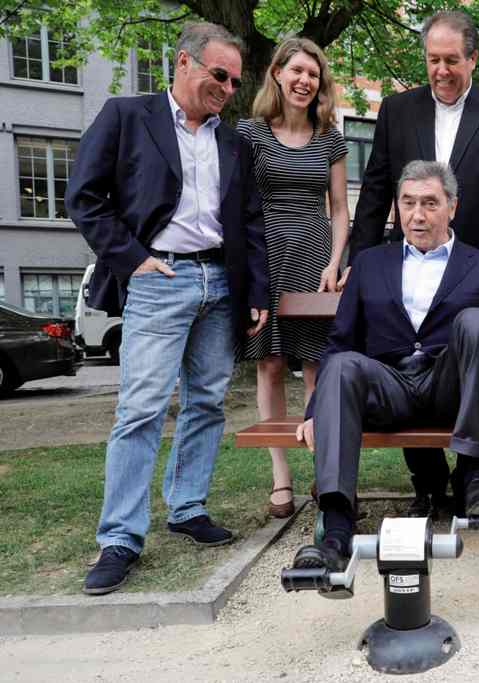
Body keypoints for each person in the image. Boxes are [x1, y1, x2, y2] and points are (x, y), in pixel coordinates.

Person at [67, 22, 269, 595]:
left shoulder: (235, 142)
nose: (228, 88)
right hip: (160, 277)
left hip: (221, 282)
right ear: (184, 63)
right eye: (219, 75)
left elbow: (249, 222)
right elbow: (84, 197)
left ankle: (187, 508)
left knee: (207, 401)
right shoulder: (127, 116)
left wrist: (255, 291)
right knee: (141, 409)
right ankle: (120, 539)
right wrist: (133, 259)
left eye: (234, 80)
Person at [345, 10, 479, 518]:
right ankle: (430, 482)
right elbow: (375, 190)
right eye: (432, 60)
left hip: (478, 268)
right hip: (407, 259)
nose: (441, 70)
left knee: (477, 354)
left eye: (451, 60)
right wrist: (358, 259)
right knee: (407, 354)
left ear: (472, 58)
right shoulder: (396, 110)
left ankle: (476, 478)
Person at [291, 161, 479, 572]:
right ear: (397, 207)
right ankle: (336, 527)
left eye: (430, 203)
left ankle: (473, 477)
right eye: (409, 202)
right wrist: (315, 412)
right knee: (345, 364)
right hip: (390, 388)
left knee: (478, 322)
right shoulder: (368, 263)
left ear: (452, 207)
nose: (418, 215)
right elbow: (340, 342)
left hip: (449, 387)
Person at [237, 37, 350, 518]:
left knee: (316, 366)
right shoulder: (249, 133)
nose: (305, 80)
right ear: (278, 74)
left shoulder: (330, 137)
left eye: (314, 73)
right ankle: (280, 477)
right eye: (297, 70)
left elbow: (342, 208)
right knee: (270, 365)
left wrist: (336, 261)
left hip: (315, 256)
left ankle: (325, 474)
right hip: (265, 255)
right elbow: (238, 206)